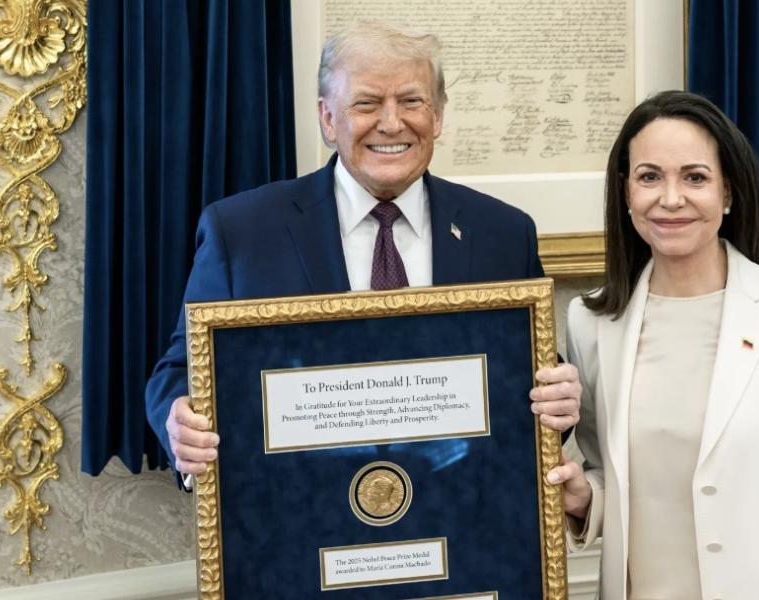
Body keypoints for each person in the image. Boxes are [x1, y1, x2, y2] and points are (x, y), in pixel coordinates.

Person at [145, 22, 580, 483]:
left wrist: (561, 400)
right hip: (298, 516)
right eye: (367, 103)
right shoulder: (242, 233)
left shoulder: (504, 233)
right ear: (328, 119)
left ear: (438, 116)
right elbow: (180, 371)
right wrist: (179, 421)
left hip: (460, 514)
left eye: (411, 101)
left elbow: (531, 377)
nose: (392, 123)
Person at [545, 91, 759, 599]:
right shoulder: (592, 322)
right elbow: (613, 476)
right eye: (650, 177)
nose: (671, 198)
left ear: (727, 194)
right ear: (626, 193)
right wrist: (582, 497)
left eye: (695, 177)